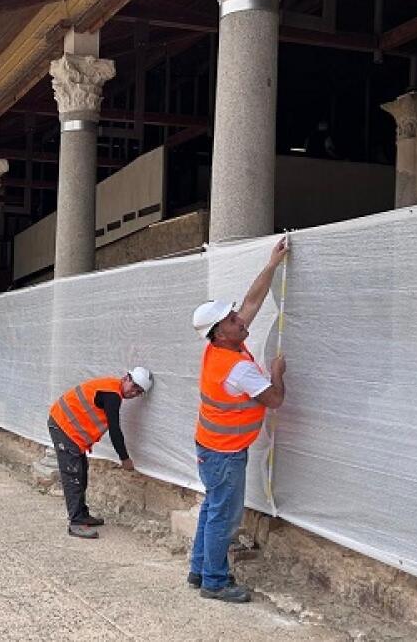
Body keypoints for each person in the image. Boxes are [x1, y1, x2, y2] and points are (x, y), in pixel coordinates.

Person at [189, 237, 289, 602]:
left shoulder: (221, 346)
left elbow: (251, 301)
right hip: (225, 453)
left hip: (211, 447)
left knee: (213, 509)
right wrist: (278, 372)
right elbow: (275, 399)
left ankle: (200, 571)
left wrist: (271, 264)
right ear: (220, 331)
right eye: (232, 320)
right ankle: (215, 582)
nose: (240, 319)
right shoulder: (238, 368)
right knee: (225, 517)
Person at [47, 367, 153, 539]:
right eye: (134, 387)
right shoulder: (112, 394)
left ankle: (82, 515)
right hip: (63, 425)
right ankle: (76, 523)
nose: (134, 393)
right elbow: (115, 430)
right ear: (126, 377)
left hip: (70, 431)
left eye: (139, 392)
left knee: (81, 473)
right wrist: (124, 458)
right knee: (73, 475)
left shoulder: (111, 389)